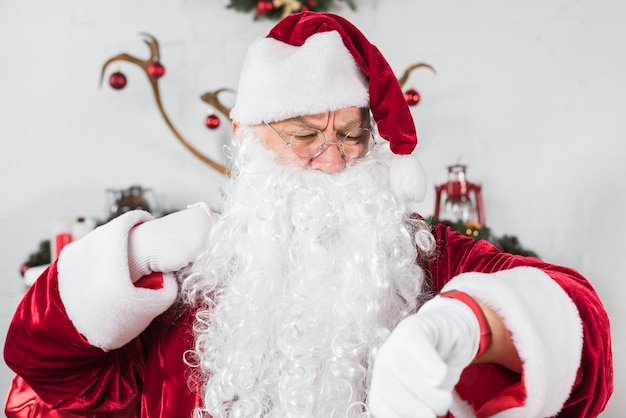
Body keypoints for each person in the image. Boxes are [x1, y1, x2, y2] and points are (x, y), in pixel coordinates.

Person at [4, 11, 613, 418]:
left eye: (351, 135)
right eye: (303, 135)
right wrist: (129, 256)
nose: (333, 160)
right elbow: (42, 373)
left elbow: (584, 336)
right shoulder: (190, 291)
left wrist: (464, 326)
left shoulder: (426, 262)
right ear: (247, 138)